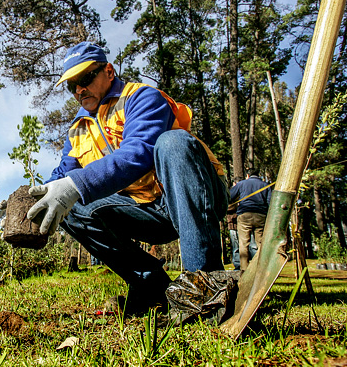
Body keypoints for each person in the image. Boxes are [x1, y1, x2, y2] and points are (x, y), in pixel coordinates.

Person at [26, 42, 229, 315]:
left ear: (109, 71)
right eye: (71, 85)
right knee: (71, 207)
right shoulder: (77, 130)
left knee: (173, 143)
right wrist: (27, 205)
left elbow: (138, 153)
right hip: (145, 211)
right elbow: (62, 177)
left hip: (194, 197)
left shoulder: (142, 98)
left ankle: (203, 285)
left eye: (84, 79)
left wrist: (75, 185)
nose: (78, 90)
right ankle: (152, 287)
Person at [229, 168, 272, 271]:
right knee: (260, 243)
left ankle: (244, 269)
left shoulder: (242, 184)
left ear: (247, 175)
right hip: (261, 216)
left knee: (243, 243)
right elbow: (270, 202)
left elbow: (230, 196)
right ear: (259, 175)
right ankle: (261, 268)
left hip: (245, 215)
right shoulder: (265, 185)